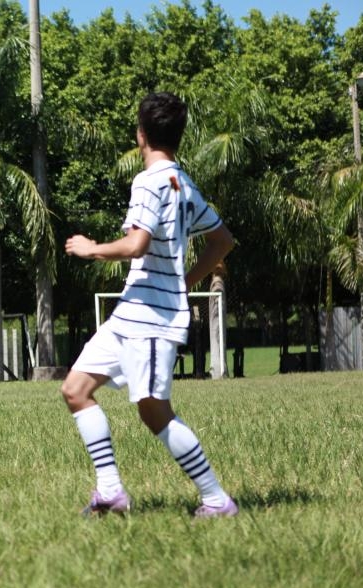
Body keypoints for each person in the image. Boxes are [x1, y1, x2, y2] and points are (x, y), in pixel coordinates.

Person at [61, 92, 237, 518]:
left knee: (153, 411)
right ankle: (110, 492)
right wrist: (185, 282)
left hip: (152, 319)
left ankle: (216, 499)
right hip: (132, 312)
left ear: (140, 135)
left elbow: (136, 244)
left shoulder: (150, 181)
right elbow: (223, 241)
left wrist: (90, 249)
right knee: (76, 390)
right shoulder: (182, 181)